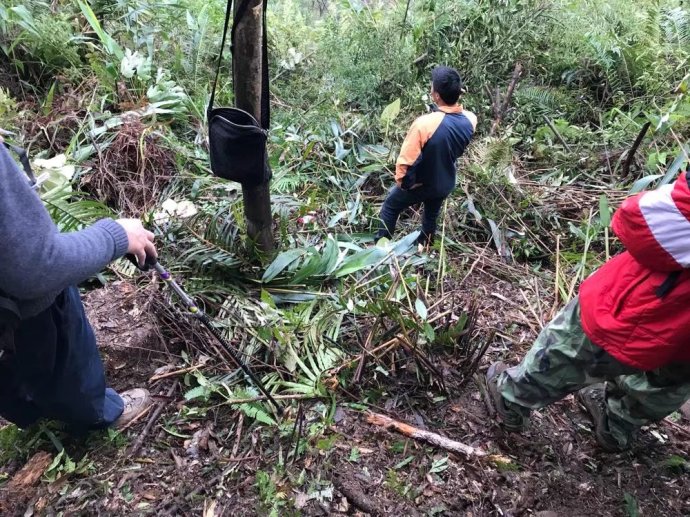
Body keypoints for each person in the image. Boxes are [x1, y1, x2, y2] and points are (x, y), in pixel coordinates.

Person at [486, 170, 690, 451]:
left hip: (646, 308)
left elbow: (637, 221)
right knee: (669, 380)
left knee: (573, 346)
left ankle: (511, 398)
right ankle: (616, 427)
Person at [0, 131, 156, 431]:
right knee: (52, 314)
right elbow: (38, 267)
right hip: (21, 315)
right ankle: (93, 413)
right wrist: (117, 236)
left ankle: (29, 412)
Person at [376, 66, 477, 247]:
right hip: (445, 182)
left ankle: (380, 250)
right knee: (431, 214)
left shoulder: (424, 124)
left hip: (424, 183)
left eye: (432, 87)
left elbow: (406, 162)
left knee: (391, 206)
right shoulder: (471, 120)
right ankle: (425, 247)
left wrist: (405, 184)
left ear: (436, 95)